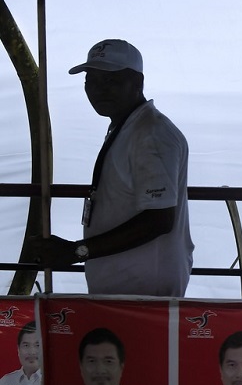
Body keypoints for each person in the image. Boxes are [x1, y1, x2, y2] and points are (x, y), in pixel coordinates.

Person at [29, 38, 193, 296]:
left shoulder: (151, 133)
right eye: (91, 81)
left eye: (110, 80)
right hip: (129, 284)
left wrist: (77, 251)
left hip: (144, 289)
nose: (98, 90)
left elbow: (159, 219)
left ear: (138, 82)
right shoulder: (130, 126)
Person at [0, 321, 41, 385]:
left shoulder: (55, 384)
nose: (32, 352)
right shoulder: (5, 382)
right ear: (18, 349)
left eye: (37, 345)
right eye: (26, 345)